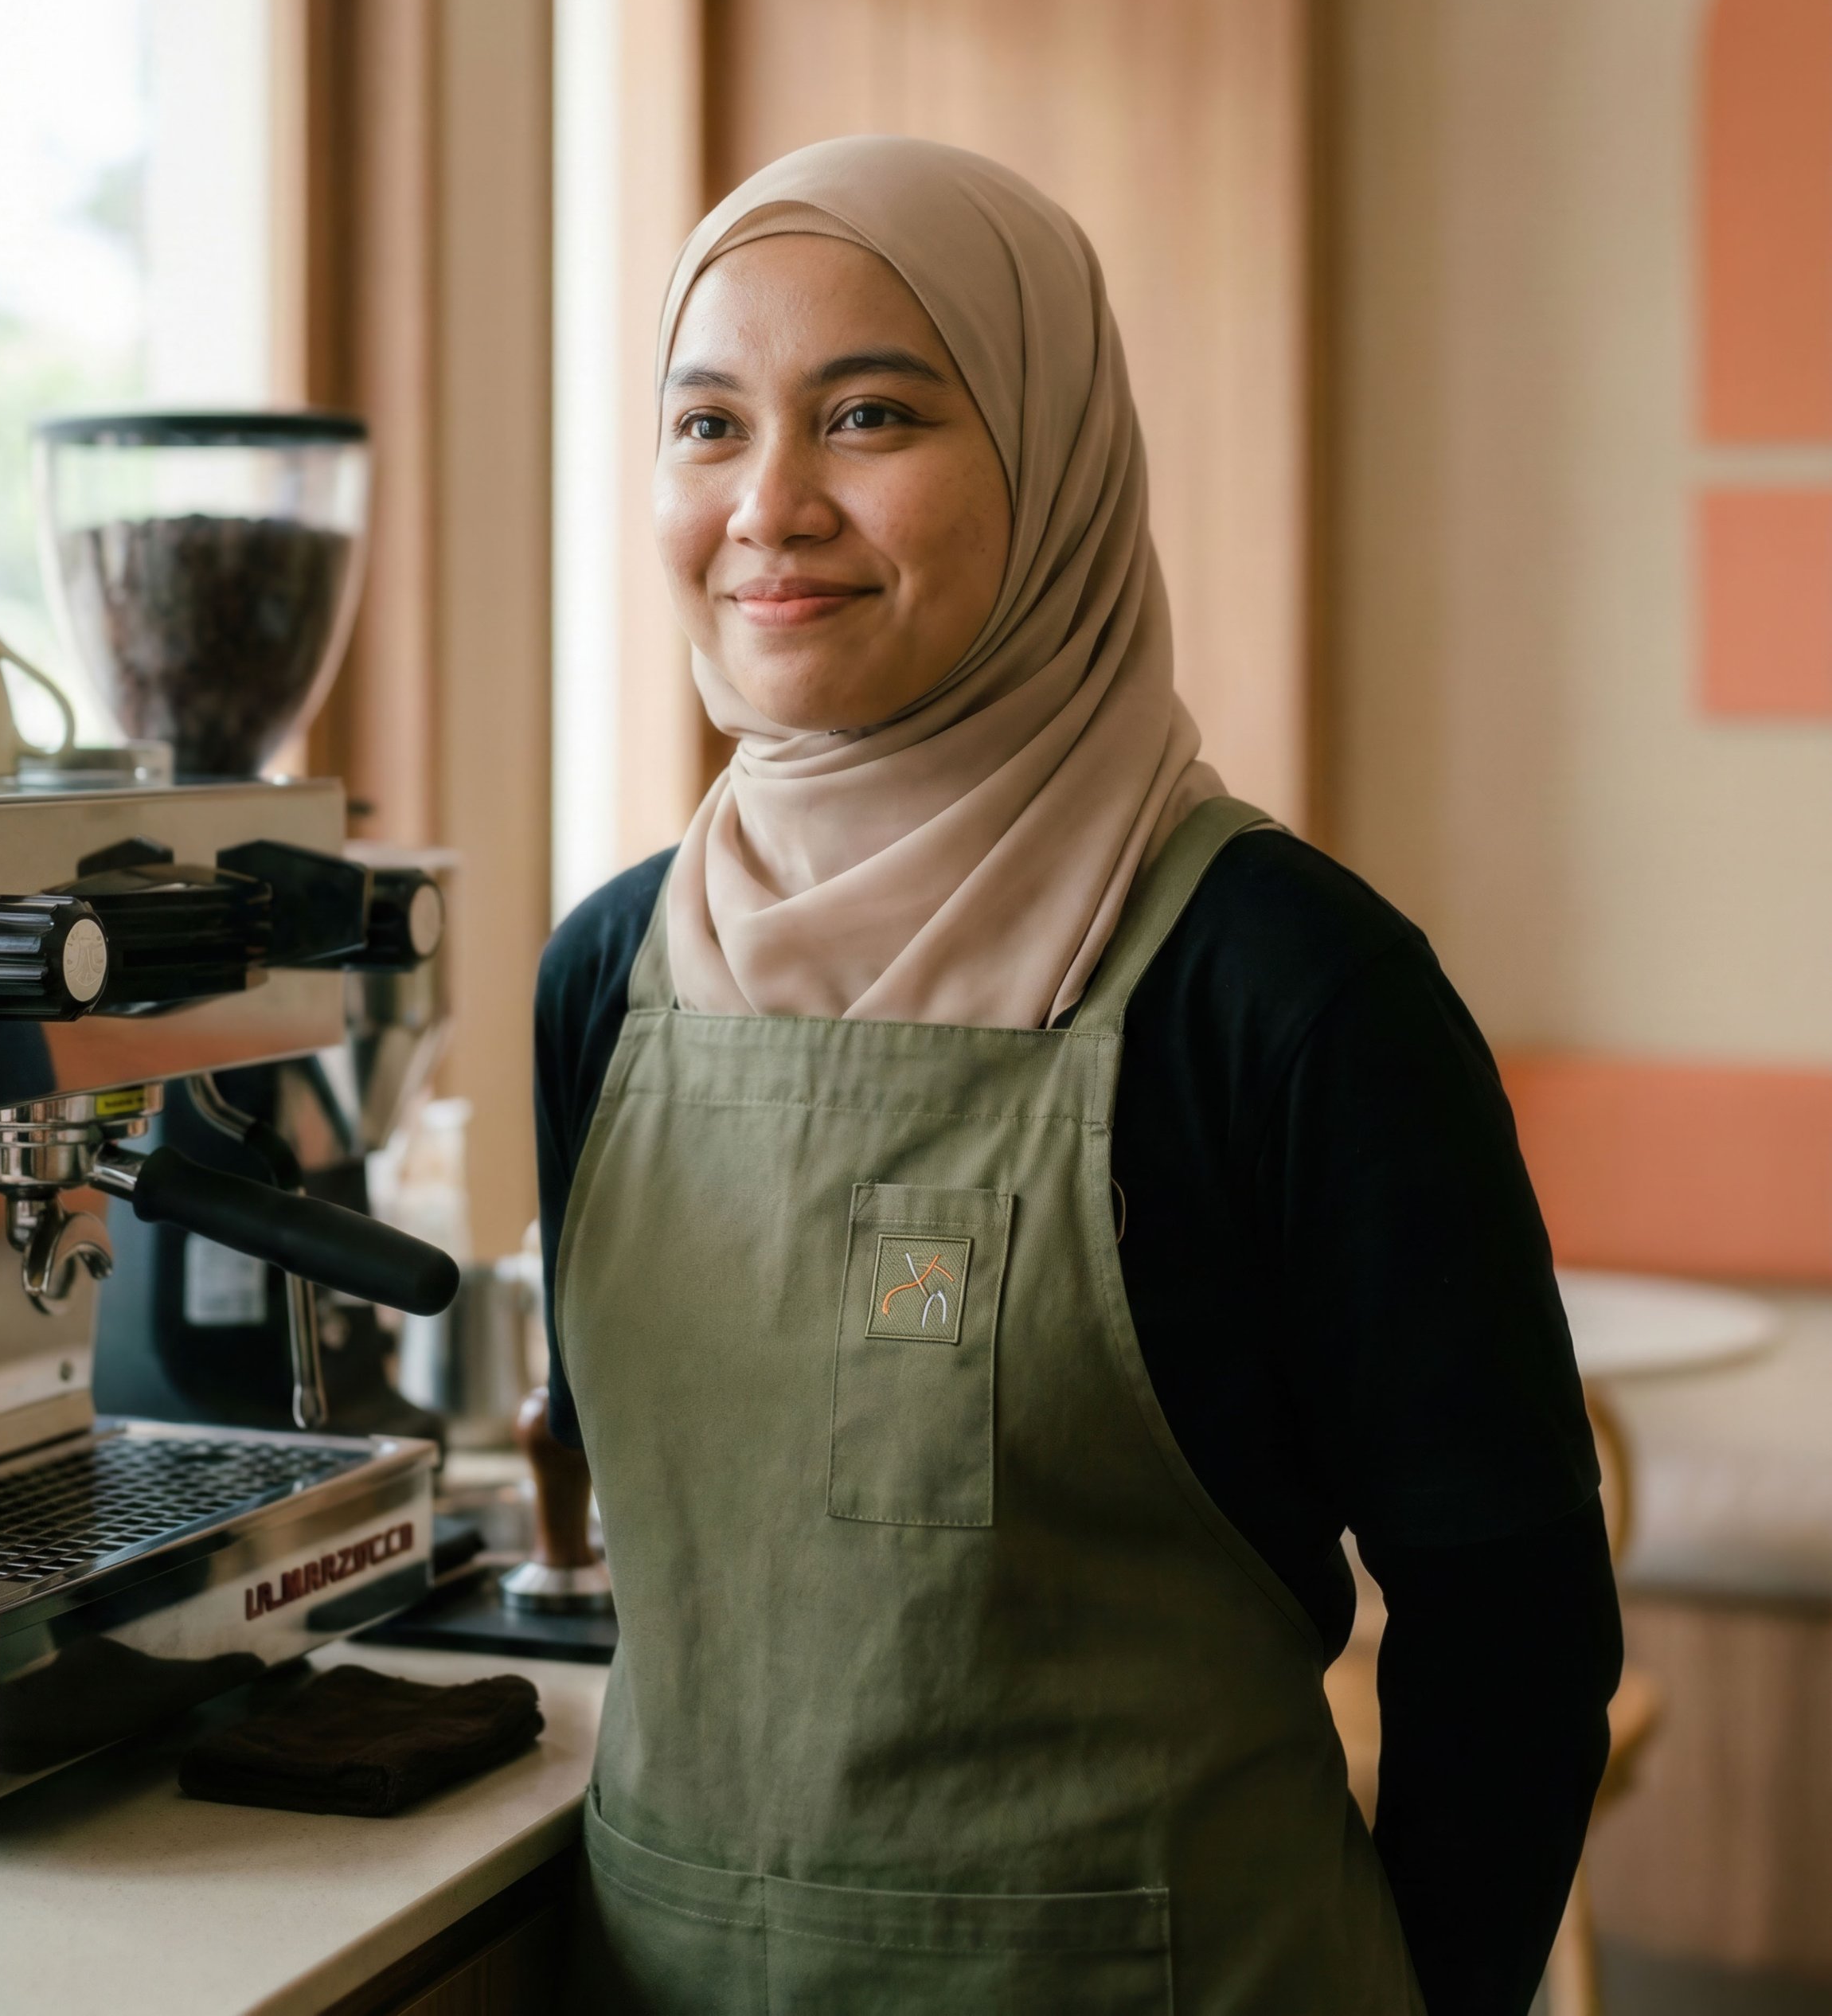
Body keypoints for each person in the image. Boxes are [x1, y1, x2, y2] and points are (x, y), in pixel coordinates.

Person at [535, 135, 1621, 2014]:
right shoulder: (604, 979)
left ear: (1051, 459)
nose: (768, 504)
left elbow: (1508, 1623)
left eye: (868, 413)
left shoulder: (1289, 992)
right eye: (705, 424)